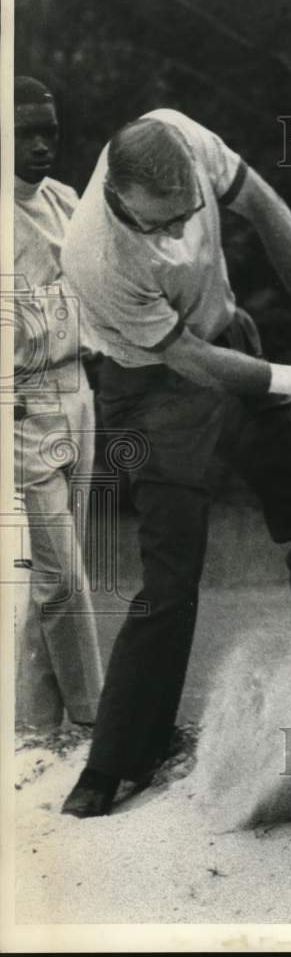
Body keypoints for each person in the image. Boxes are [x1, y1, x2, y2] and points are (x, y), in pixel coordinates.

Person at [59, 108, 291, 818]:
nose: (176, 235)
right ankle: (116, 764)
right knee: (171, 580)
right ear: (120, 197)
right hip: (152, 387)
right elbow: (191, 362)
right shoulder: (94, 257)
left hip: (231, 338)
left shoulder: (180, 135)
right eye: (159, 225)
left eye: (185, 217)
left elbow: (264, 206)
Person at [13, 76, 104, 731]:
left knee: (57, 583)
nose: (42, 145)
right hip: (21, 402)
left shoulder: (69, 200)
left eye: (50, 132)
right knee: (60, 578)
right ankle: (102, 723)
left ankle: (32, 738)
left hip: (80, 391)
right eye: (25, 133)